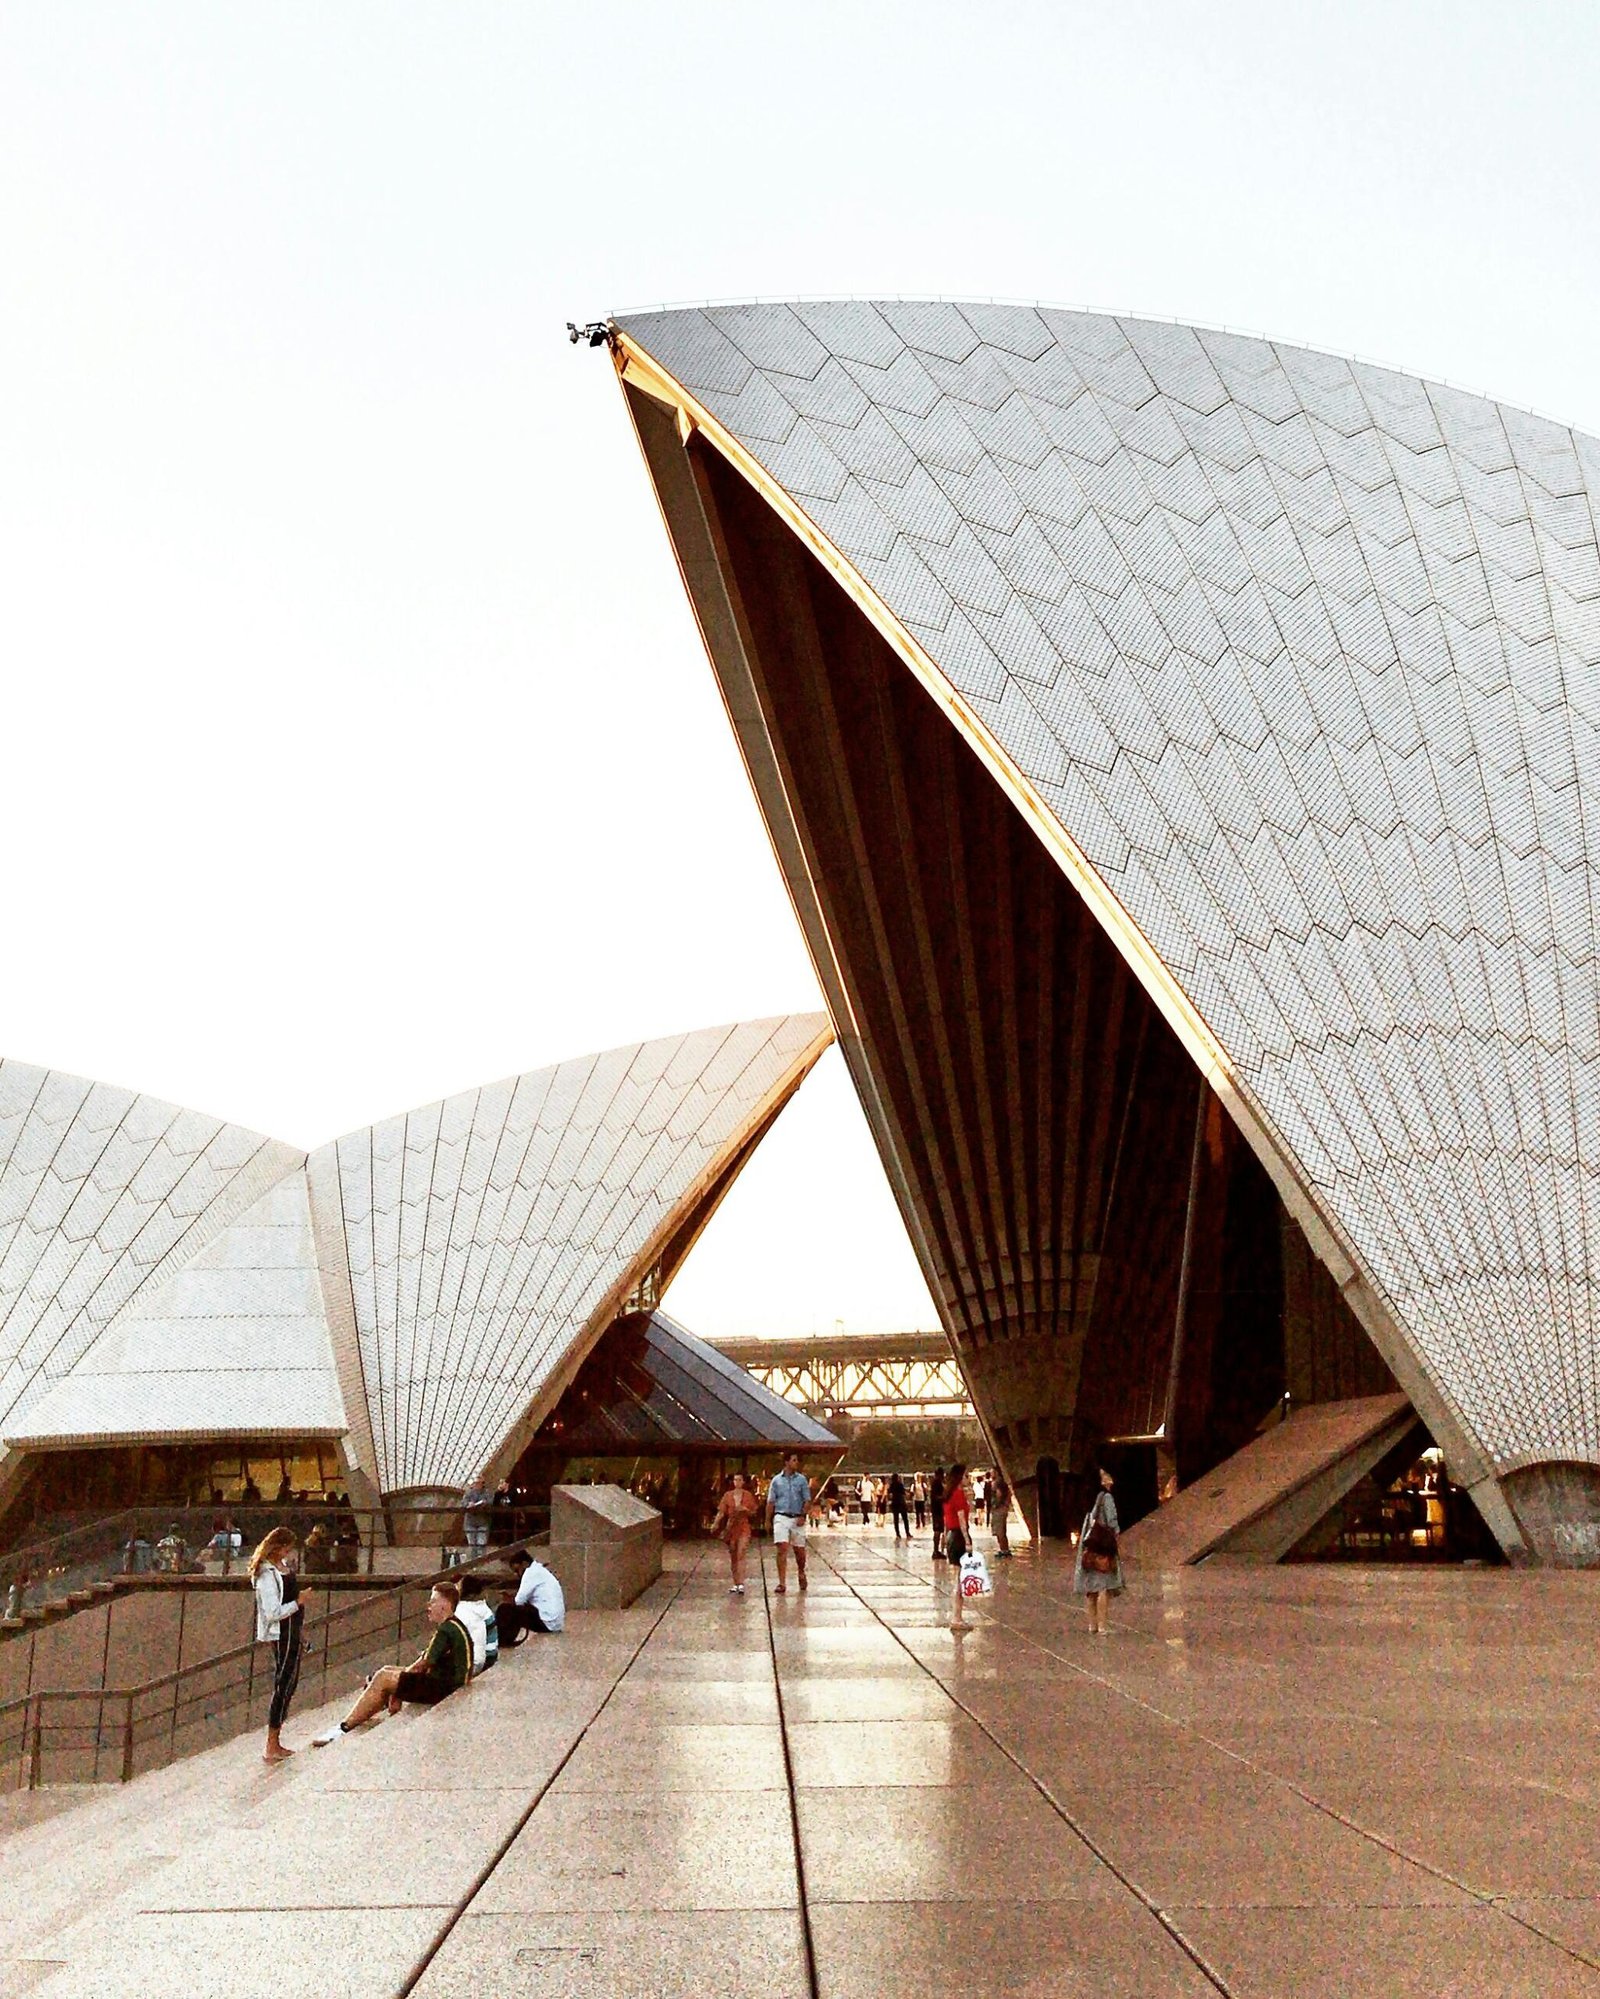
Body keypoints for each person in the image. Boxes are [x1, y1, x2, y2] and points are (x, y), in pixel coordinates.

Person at [314, 1581, 471, 1744]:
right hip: (448, 1682)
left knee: (383, 1677)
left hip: (445, 1688)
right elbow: (425, 1658)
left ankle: (343, 1728)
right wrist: (401, 1680)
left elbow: (423, 1663)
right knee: (388, 1671)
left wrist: (399, 1684)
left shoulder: (446, 1630)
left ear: (444, 1605)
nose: (428, 1606)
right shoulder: (454, 1625)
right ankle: (369, 1709)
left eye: (432, 1601)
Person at [251, 1526, 306, 1764]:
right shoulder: (266, 1574)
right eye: (285, 1547)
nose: (288, 1552)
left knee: (290, 1682)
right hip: (282, 1632)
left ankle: (276, 1740)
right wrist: (298, 1602)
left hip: (292, 1631)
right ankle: (272, 1742)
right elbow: (272, 1612)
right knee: (283, 1683)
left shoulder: (280, 1568)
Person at [1074, 1467, 1123, 1633]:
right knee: (1103, 1586)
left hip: (1090, 1546)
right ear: (1101, 1480)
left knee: (1091, 1589)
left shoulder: (1090, 1497)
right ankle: (1102, 1626)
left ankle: (1092, 1625)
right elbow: (1112, 1520)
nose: (1109, 1477)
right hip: (1102, 1546)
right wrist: (1116, 1537)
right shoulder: (1106, 1497)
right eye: (1105, 1474)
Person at [498, 1548, 566, 1643]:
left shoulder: (530, 1573)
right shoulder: (538, 1570)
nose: (518, 1574)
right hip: (554, 1623)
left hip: (547, 1622)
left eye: (517, 1570)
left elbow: (519, 1601)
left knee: (505, 1609)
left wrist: (507, 1599)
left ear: (524, 1564)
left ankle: (502, 1641)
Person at [767, 1452, 811, 1595]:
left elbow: (807, 1500)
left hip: (797, 1517)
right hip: (781, 1516)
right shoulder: (776, 1481)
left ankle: (801, 1571)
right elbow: (771, 1501)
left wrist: (803, 1515)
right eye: (793, 1460)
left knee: (799, 1551)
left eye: (797, 1460)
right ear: (786, 1462)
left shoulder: (802, 1480)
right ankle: (782, 1582)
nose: (796, 1463)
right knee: (782, 1548)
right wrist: (768, 1520)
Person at [713, 1472, 758, 1594]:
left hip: (744, 1525)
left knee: (741, 1552)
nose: (737, 1482)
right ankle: (736, 1582)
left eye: (739, 1480)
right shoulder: (728, 1495)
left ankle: (741, 1583)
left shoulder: (748, 1496)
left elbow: (754, 1512)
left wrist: (746, 1510)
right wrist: (716, 1523)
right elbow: (721, 1512)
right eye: (735, 1480)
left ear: (743, 1482)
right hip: (731, 1527)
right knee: (733, 1556)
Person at [454, 1573, 499, 1673]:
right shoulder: (482, 1606)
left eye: (458, 1587)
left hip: (483, 1658)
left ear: (469, 1594)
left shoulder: (464, 1610)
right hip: (491, 1654)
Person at [462, 1469, 493, 1555]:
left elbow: (490, 1502)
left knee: (481, 1544)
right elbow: (463, 1503)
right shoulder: (468, 1492)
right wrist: (469, 1504)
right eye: (476, 1483)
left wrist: (484, 1504)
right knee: (472, 1546)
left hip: (483, 1522)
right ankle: (474, 1565)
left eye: (479, 1483)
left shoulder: (487, 1492)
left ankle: (480, 1563)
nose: (477, 1485)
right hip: (470, 1523)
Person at [989, 1468, 1012, 1558]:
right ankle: (1005, 1549)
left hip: (999, 1509)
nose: (990, 1474)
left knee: (999, 1531)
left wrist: (996, 1505)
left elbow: (999, 1495)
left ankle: (1003, 1550)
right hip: (1003, 1508)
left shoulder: (997, 1483)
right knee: (1002, 1530)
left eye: (992, 1472)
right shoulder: (1003, 1482)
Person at [888, 1471, 910, 1541]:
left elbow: (889, 1494)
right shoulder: (900, 1484)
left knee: (896, 1519)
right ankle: (907, 1532)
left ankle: (898, 1533)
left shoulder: (891, 1485)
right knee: (905, 1519)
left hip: (895, 1503)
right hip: (901, 1503)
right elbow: (904, 1493)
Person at [929, 1467, 946, 1559]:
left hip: (937, 1509)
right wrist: (944, 1497)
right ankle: (935, 1550)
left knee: (938, 1530)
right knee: (937, 1530)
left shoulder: (936, 1483)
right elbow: (936, 1497)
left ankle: (937, 1550)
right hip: (937, 1510)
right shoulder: (937, 1483)